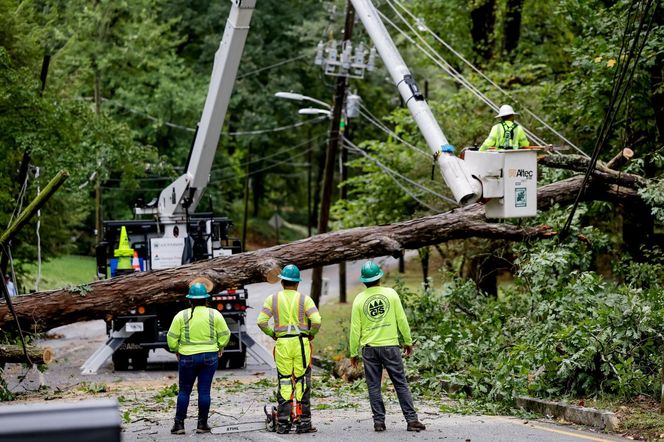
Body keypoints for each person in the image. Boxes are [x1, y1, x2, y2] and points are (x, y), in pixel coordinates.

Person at [349, 261, 426, 433]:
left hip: (369, 349)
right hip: (390, 346)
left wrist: (353, 352)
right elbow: (401, 319)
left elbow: (355, 329)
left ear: (364, 280)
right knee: (400, 383)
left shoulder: (359, 299)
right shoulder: (391, 294)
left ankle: (379, 422)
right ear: (379, 278)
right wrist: (407, 341)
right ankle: (412, 420)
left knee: (374, 386)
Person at [256, 264, 322, 434]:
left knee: (285, 381)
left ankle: (283, 423)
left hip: (283, 345)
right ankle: (303, 422)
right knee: (301, 381)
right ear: (297, 283)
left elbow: (261, 321)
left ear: (282, 282)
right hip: (300, 344)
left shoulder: (273, 299)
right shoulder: (304, 299)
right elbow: (316, 320)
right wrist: (310, 334)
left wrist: (273, 334)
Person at [167, 282, 231, 435]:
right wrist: (220, 346)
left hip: (187, 357)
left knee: (184, 391)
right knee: (204, 391)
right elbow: (225, 334)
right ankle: (202, 424)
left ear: (190, 300)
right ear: (206, 299)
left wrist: (176, 350)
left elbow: (171, 339)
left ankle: (179, 425)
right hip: (210, 357)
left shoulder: (181, 316)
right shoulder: (214, 314)